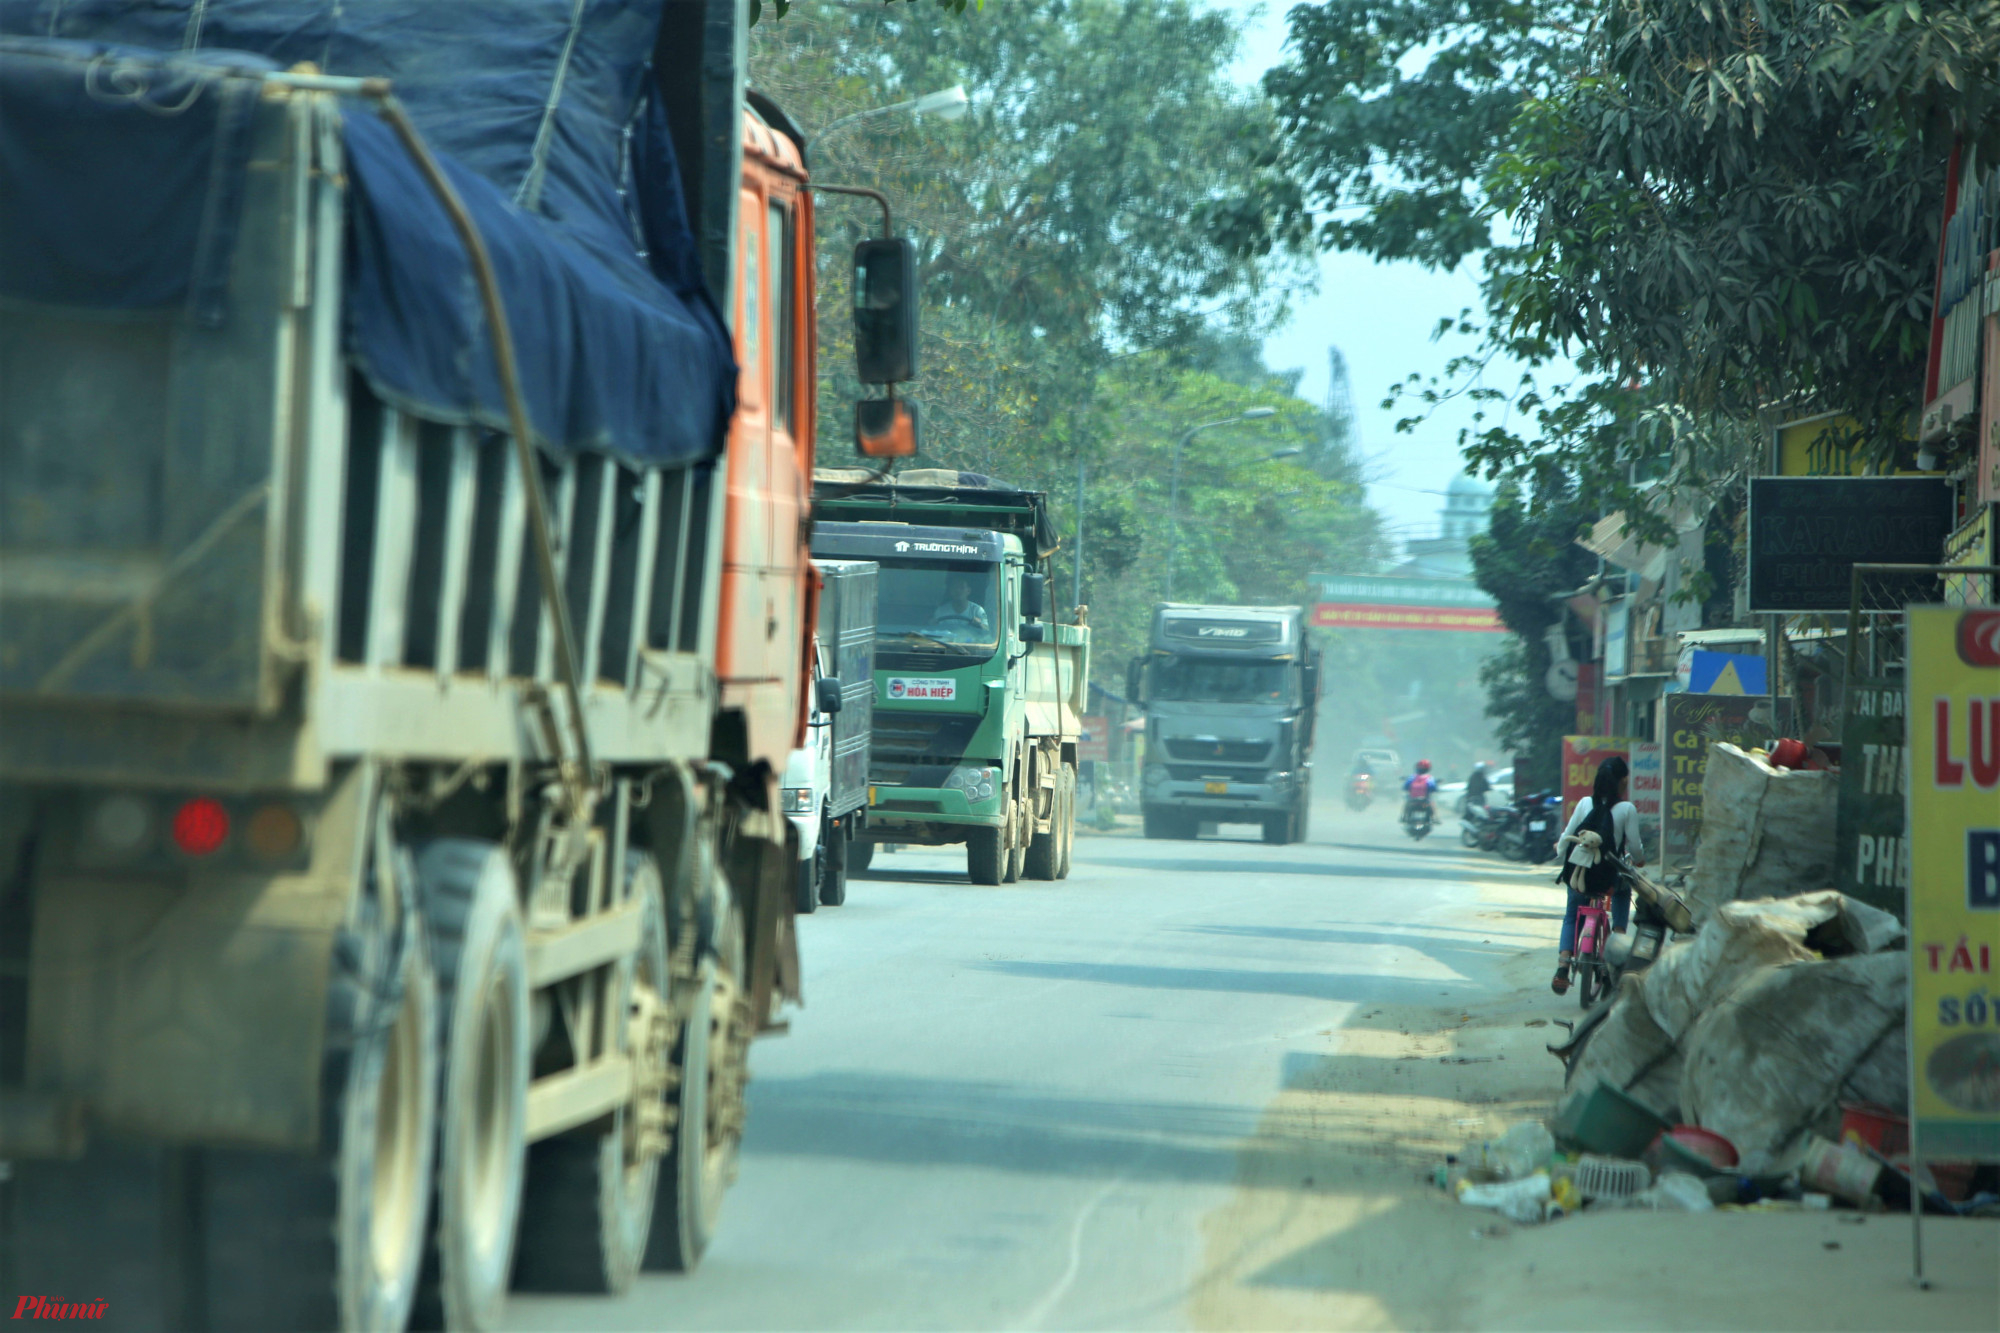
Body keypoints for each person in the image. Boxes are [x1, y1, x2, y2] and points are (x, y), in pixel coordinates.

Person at [1551, 755, 1643, 995]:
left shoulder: (1583, 803)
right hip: (1610, 878)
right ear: (1623, 781)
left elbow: (1567, 835)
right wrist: (1640, 860)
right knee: (1623, 894)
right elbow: (1635, 848)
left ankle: (1563, 964)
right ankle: (1617, 949)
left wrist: (1560, 850)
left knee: (1572, 914)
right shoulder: (1627, 809)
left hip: (1582, 875)